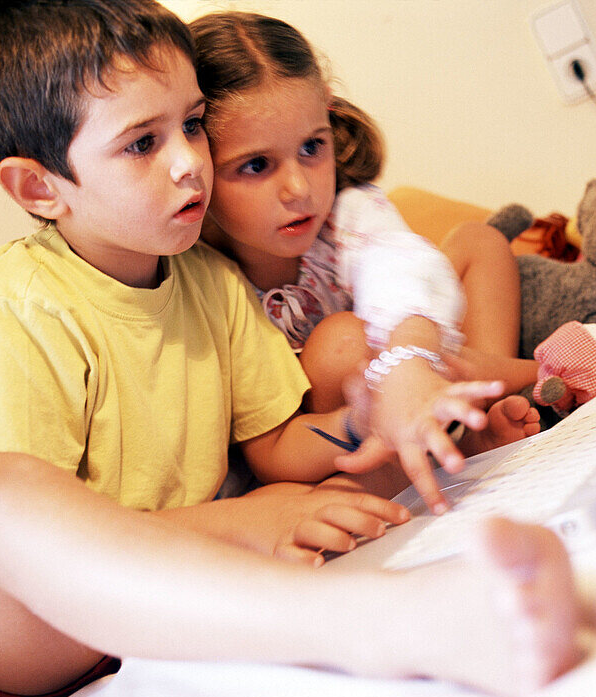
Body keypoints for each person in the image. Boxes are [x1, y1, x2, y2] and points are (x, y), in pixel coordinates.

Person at [0, 0, 579, 697]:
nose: (190, 161)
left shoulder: (207, 279)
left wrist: (357, 418)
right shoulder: (16, 306)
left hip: (183, 582)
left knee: (359, 466)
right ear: (39, 187)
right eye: (142, 143)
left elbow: (274, 445)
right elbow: (39, 555)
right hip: (27, 628)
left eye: (191, 123)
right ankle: (379, 623)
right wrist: (239, 522)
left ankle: (458, 454)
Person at [189, 10, 564, 429]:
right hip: (349, 427)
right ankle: (539, 375)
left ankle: (476, 411)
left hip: (413, 360)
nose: (299, 188)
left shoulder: (348, 212)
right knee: (340, 341)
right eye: (257, 165)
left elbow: (398, 263)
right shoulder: (200, 275)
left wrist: (410, 351)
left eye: (312, 147)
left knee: (479, 240)